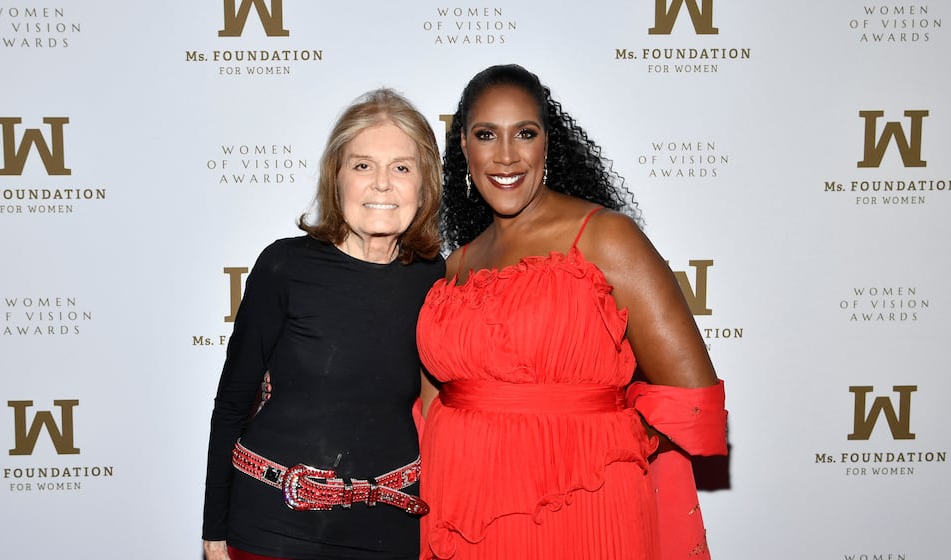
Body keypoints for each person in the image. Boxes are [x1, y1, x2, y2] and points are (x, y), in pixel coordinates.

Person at [415, 64, 728, 559]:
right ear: (464, 149)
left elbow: (691, 396)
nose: (506, 155)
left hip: (583, 509)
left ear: (547, 144)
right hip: (464, 510)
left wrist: (591, 439)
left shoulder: (606, 237)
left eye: (525, 133)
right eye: (485, 135)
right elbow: (432, 403)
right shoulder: (457, 263)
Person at [202, 88, 445, 560]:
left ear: (425, 182)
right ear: (336, 178)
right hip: (273, 528)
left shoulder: (440, 280)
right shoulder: (284, 267)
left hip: (389, 532)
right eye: (362, 165)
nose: (381, 184)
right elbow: (232, 402)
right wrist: (214, 530)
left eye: (401, 167)